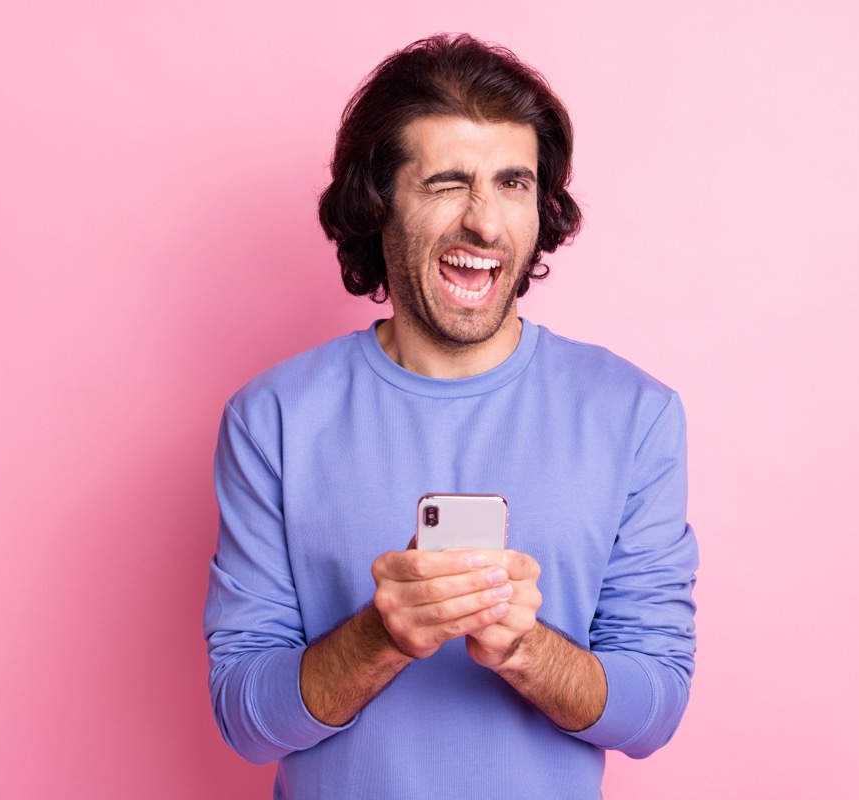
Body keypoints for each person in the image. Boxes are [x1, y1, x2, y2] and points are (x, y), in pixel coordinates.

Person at [204, 33, 698, 799]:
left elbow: (654, 710)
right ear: (379, 204)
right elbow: (246, 718)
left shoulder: (633, 415)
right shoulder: (271, 419)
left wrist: (525, 649)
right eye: (446, 183)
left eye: (512, 184)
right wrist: (384, 634)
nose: (486, 223)